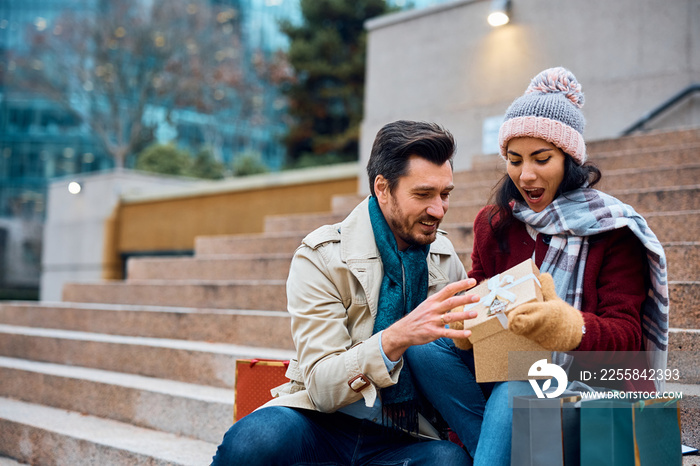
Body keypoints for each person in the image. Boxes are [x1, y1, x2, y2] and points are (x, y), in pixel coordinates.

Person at [404, 67, 669, 466]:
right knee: (425, 347)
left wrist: (567, 325)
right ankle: (495, 450)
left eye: (541, 158)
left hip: (587, 375)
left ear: (570, 159)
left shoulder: (611, 228)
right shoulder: (494, 223)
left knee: (518, 386)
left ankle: (494, 453)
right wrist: (466, 319)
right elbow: (480, 287)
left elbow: (630, 340)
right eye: (514, 159)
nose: (525, 175)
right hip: (509, 362)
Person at [211, 120, 483, 465]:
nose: (439, 209)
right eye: (423, 194)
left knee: (448, 461)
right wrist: (395, 338)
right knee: (253, 441)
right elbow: (323, 387)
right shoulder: (322, 255)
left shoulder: (444, 257)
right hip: (320, 423)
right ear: (382, 188)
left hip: (405, 436)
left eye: (445, 195)